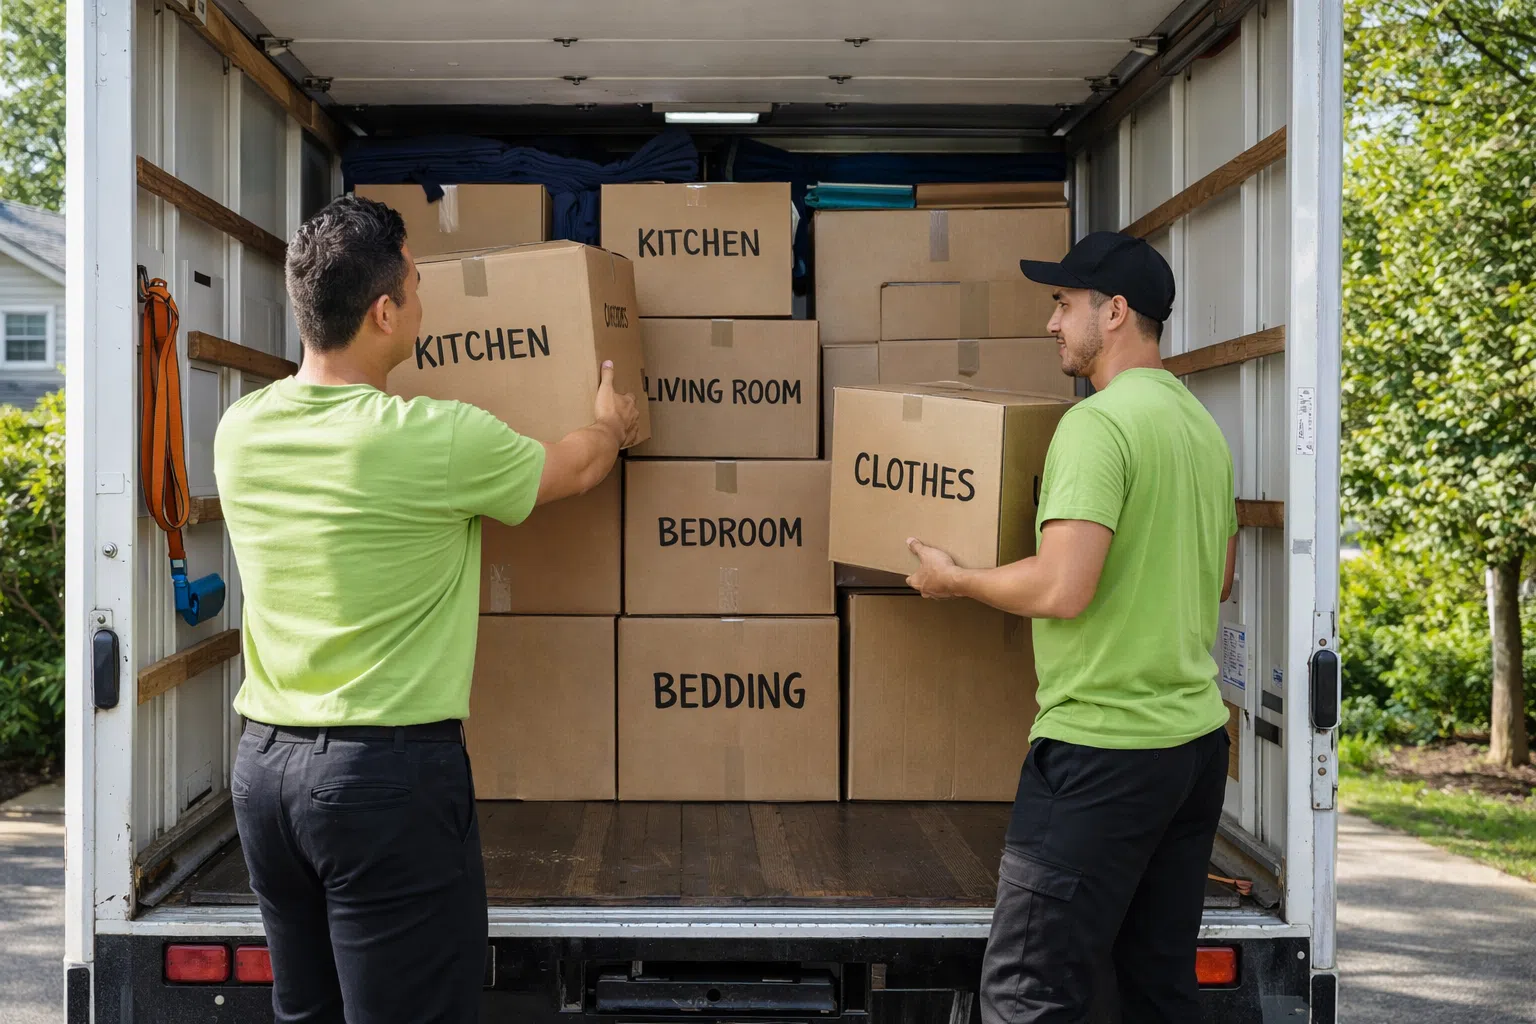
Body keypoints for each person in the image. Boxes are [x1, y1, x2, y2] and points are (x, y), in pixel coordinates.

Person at [213, 194, 640, 1023]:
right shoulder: (432, 438)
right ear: (384, 312)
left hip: (265, 774)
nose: (424, 298)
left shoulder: (242, 429)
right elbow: (574, 470)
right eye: (416, 283)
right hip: (383, 782)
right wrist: (610, 426)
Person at [904, 231, 1238, 1023]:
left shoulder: (1096, 426)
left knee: (1030, 989)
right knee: (1155, 987)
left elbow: (1062, 586)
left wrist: (955, 578)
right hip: (1190, 751)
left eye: (1063, 304)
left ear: (1114, 312)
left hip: (1105, 750)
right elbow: (1221, 580)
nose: (1052, 323)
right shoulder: (1199, 427)